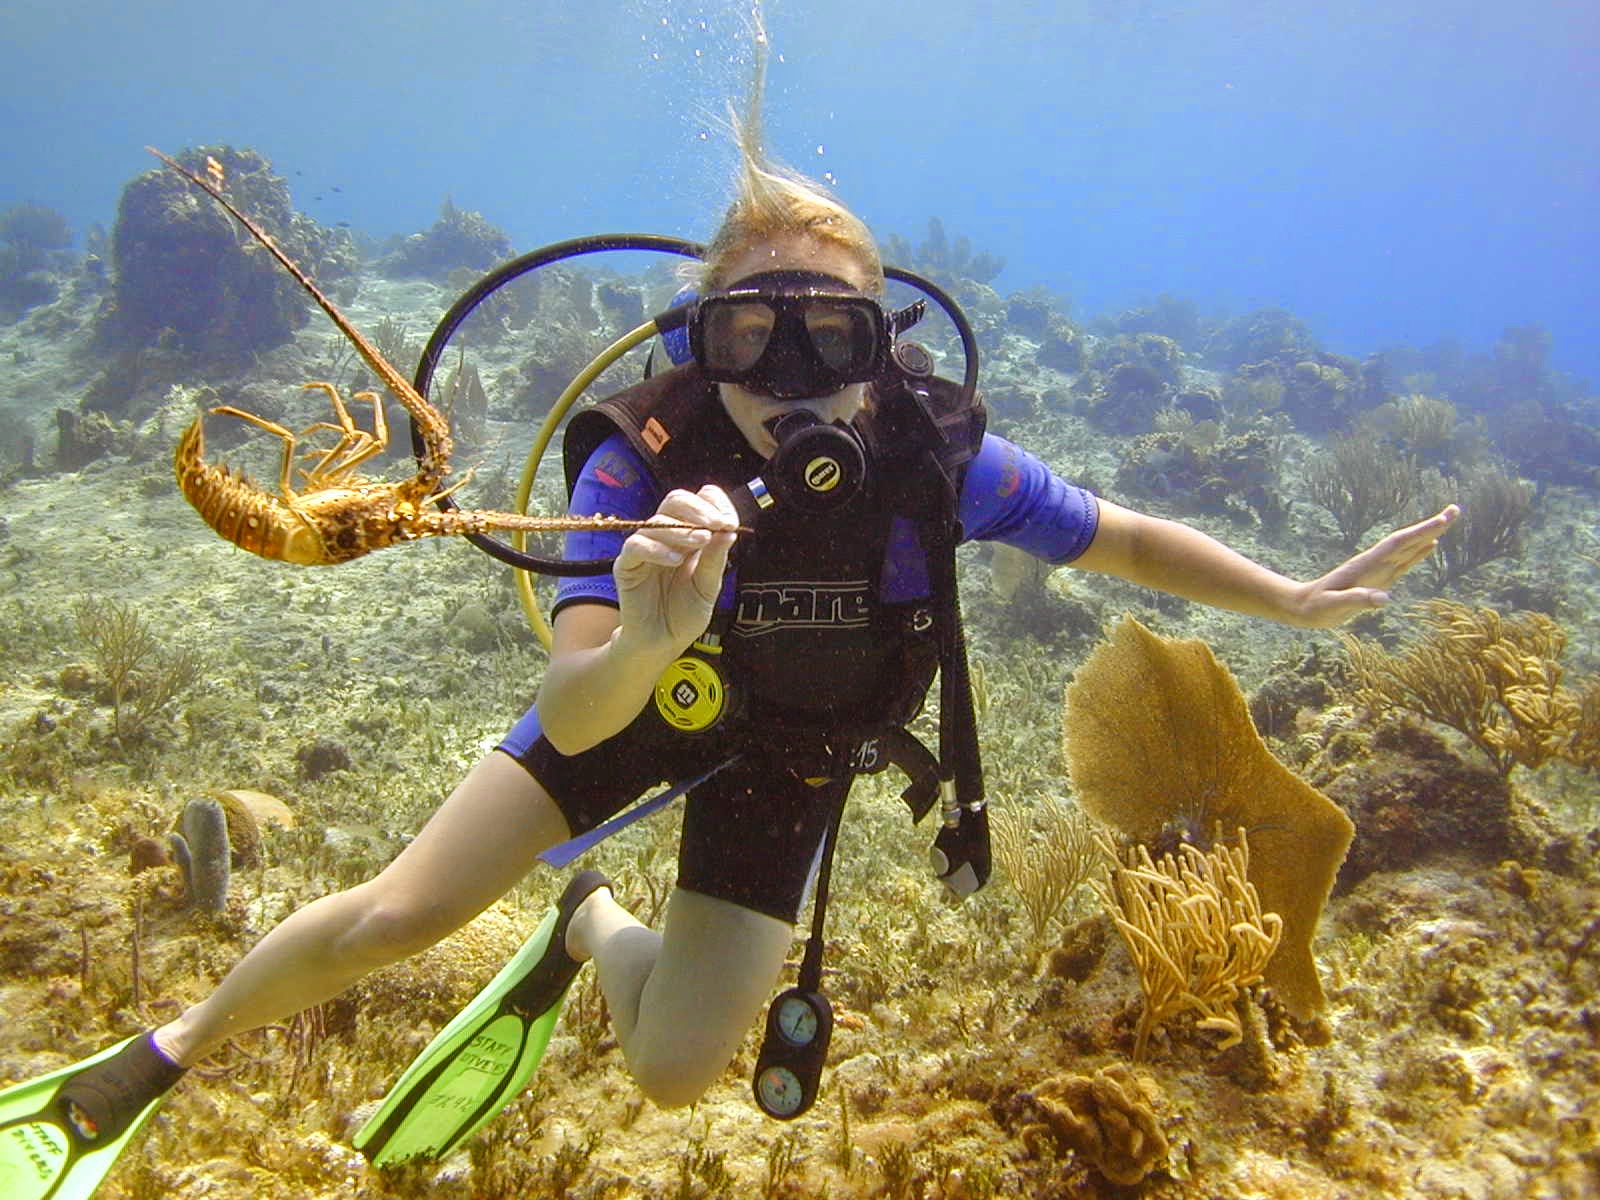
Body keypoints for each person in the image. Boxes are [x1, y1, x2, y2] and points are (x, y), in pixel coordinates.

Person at [0, 70, 1459, 1200]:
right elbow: (579, 715)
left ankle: (590, 923)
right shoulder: (638, 459)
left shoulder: (935, 461)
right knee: (397, 917)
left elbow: (1126, 533)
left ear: (883, 350)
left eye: (831, 338)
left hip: (791, 755)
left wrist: (1291, 594)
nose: (791, 382)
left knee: (679, 1072)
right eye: (747, 339)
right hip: (634, 699)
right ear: (697, 347)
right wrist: (643, 628)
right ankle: (157, 1057)